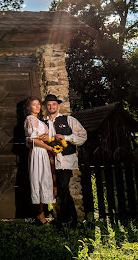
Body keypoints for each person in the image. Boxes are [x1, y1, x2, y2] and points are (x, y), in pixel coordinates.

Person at [42, 94, 87, 225]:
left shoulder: (68, 120)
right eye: (49, 104)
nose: (51, 107)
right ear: (46, 106)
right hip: (49, 161)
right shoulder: (42, 123)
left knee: (63, 187)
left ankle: (68, 220)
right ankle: (68, 220)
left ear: (58, 105)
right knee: (56, 190)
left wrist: (66, 138)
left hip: (66, 161)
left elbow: (82, 136)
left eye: (54, 104)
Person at [24, 97, 56, 225]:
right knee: (38, 180)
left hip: (43, 152)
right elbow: (33, 140)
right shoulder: (30, 119)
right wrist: (48, 146)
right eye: (34, 105)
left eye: (38, 104)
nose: (37, 107)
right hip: (38, 153)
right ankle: (41, 217)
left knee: (44, 181)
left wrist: (44, 139)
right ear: (29, 108)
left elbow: (47, 137)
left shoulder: (39, 121)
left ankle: (46, 215)